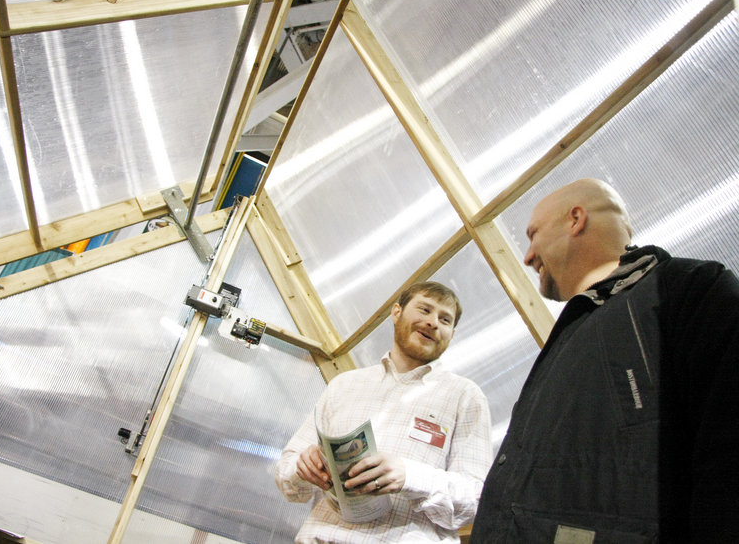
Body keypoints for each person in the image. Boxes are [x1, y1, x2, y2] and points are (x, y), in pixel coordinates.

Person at [470, 178, 739, 543]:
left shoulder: (688, 289)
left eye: (533, 235)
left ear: (575, 219)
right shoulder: (572, 335)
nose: (528, 256)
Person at [276, 281, 492, 543]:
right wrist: (303, 467)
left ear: (451, 334)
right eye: (424, 310)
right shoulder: (344, 385)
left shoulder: (465, 396)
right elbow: (287, 478)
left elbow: (478, 499)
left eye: (445, 319)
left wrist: (410, 476)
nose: (433, 322)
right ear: (396, 312)